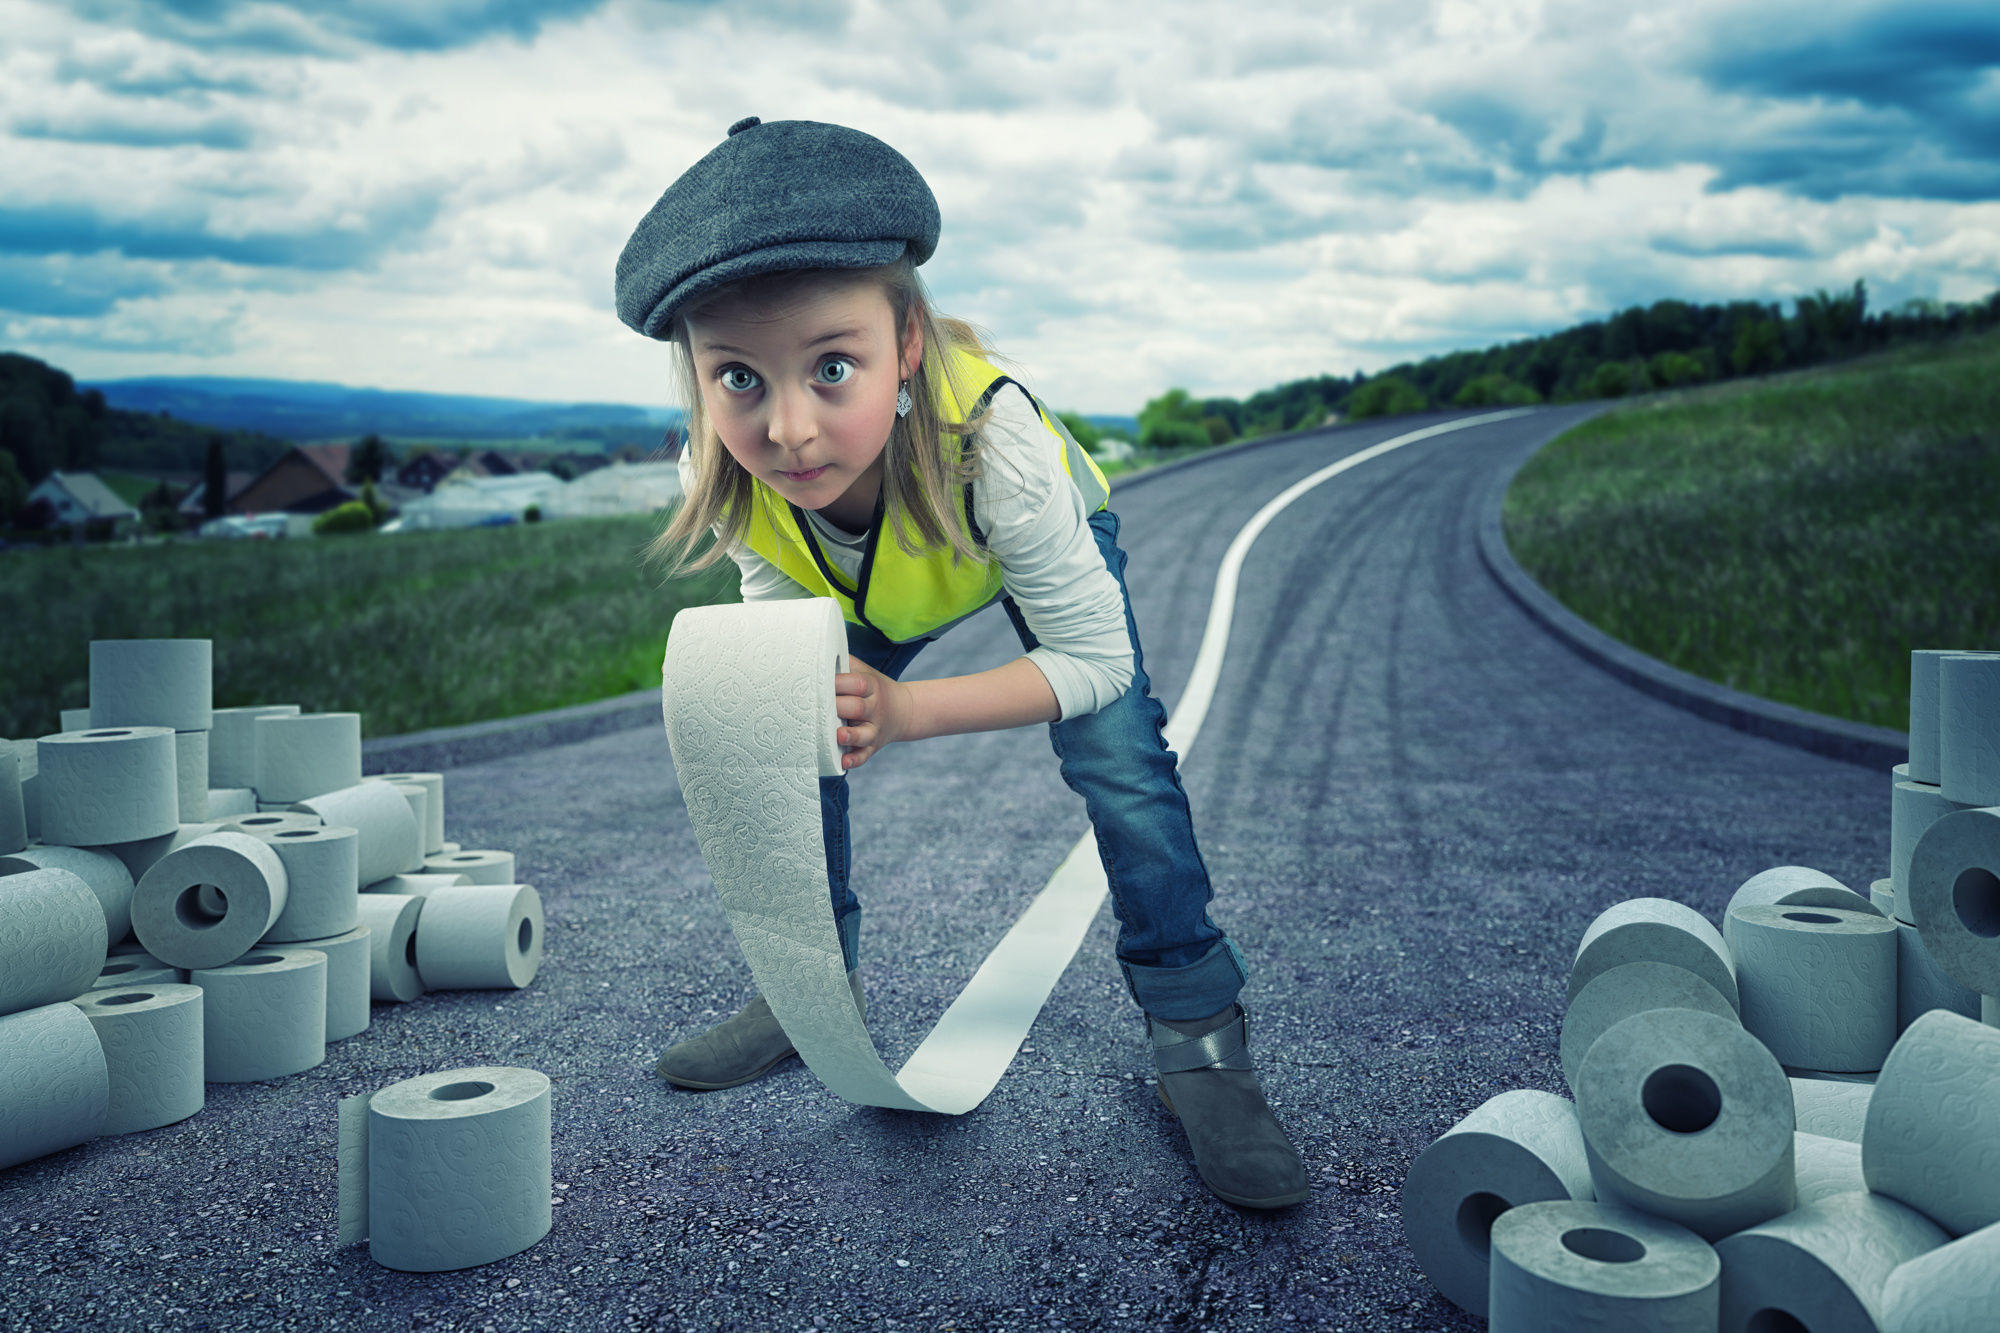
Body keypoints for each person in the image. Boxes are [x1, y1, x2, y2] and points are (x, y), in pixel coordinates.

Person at [613, 117, 1307, 1210]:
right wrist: (822, 708)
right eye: (736, 377)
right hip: (874, 587)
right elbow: (782, 627)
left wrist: (902, 709)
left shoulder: (1000, 440)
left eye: (831, 367)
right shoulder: (728, 462)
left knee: (1120, 760)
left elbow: (1092, 664)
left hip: (1021, 545)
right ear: (696, 379)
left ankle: (1198, 1040)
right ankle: (809, 994)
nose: (787, 428)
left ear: (908, 352)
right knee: (789, 734)